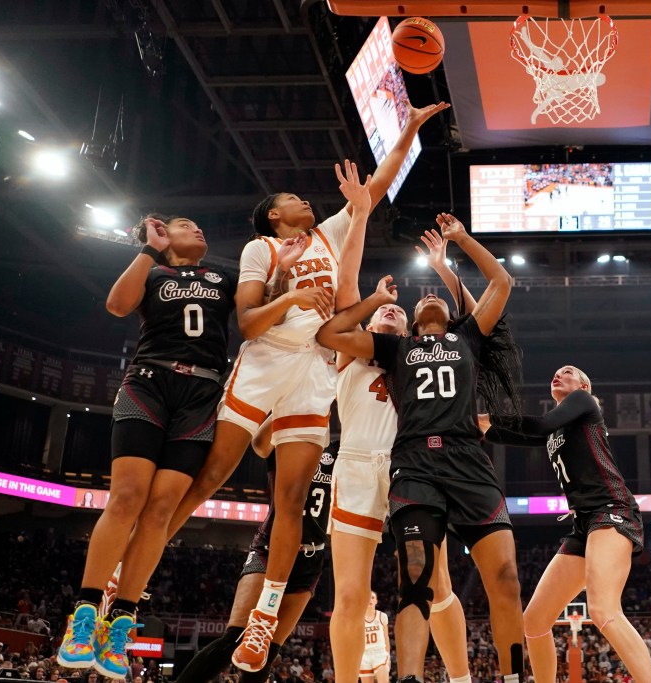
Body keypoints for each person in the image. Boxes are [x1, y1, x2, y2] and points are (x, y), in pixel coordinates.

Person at [155, 100, 447, 674]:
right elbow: (247, 324)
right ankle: (133, 571)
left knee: (288, 501)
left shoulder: (330, 234)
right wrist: (287, 291)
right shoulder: (260, 249)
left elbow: (374, 188)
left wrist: (409, 130)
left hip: (315, 371)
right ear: (272, 217)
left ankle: (264, 621)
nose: (304, 201)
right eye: (291, 199)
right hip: (267, 360)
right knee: (212, 472)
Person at [316, 213, 525, 683]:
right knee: (415, 582)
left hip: (464, 463)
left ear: (452, 318)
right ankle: (409, 677)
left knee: (498, 581)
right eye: (419, 298)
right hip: (410, 468)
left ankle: (492, 676)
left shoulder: (466, 338)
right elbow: (330, 335)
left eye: (437, 296)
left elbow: (500, 282)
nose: (426, 296)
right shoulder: (393, 350)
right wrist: (376, 303)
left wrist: (457, 245)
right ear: (408, 324)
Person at [57, 214, 237, 680]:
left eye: (200, 225)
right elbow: (117, 305)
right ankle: (84, 613)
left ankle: (122, 620)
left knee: (160, 512)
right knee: (128, 497)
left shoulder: (225, 277)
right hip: (149, 382)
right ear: (163, 234)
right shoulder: (153, 270)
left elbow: (256, 312)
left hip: (202, 394)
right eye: (185, 223)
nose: (198, 228)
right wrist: (149, 249)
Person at [327, 196, 471, 683]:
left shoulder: (415, 359)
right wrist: (360, 216)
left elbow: (466, 329)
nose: (389, 313)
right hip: (355, 466)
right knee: (349, 595)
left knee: (439, 584)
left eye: (396, 312)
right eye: (381, 312)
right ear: (370, 324)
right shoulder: (351, 355)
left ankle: (461, 677)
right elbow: (344, 286)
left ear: (407, 331)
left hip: (410, 468)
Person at [480, 366, 651, 683]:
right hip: (583, 522)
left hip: (610, 510)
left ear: (584, 385)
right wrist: (481, 427)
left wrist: (490, 417)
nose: (558, 375)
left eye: (569, 372)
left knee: (603, 610)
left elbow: (539, 424)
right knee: (533, 621)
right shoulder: (558, 429)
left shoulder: (584, 402)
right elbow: (521, 434)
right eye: (557, 373)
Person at [175, 424, 337, 683]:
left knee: (268, 650)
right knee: (236, 637)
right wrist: (283, 407)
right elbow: (259, 444)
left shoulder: (338, 452)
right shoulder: (286, 439)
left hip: (311, 556)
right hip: (270, 547)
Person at [360, 592, 391, 683]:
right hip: (364, 654)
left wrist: (388, 655)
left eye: (373, 597)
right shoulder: (359, 618)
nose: (370, 600)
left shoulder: (382, 616)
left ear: (376, 601)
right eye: (368, 598)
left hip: (379, 653)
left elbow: (386, 638)